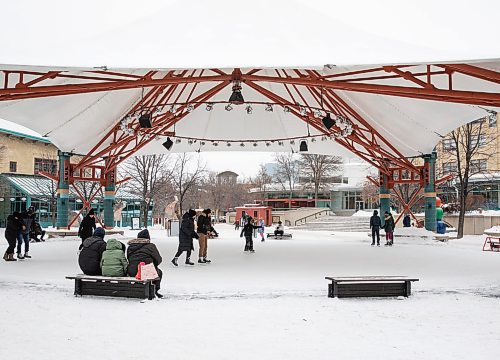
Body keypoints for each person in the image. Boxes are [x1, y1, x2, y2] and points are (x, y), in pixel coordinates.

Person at [127, 229, 163, 298]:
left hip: (132, 271)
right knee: (159, 272)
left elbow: (129, 259)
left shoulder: (130, 247)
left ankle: (137, 288)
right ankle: (155, 290)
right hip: (147, 271)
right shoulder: (151, 246)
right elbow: (158, 260)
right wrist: (153, 265)